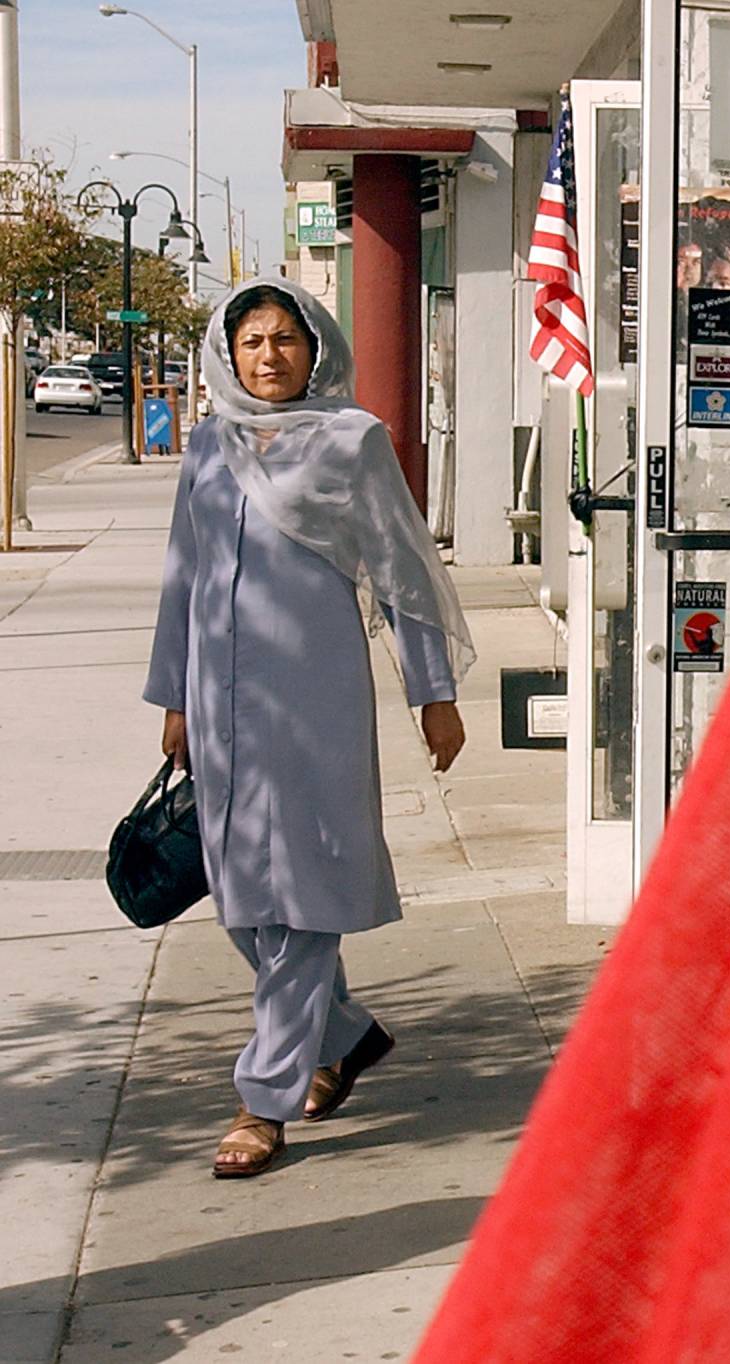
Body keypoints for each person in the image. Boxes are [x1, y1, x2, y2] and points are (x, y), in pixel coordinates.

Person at [144, 279, 475, 1179]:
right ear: (229, 353)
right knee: (243, 902)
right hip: (220, 708)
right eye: (251, 341)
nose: (269, 357)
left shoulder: (351, 442)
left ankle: (264, 1100)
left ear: (316, 346)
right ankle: (346, 1035)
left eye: (285, 338)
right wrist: (174, 696)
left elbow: (403, 570)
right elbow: (183, 573)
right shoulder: (209, 443)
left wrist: (433, 691)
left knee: (301, 897)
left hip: (314, 703)